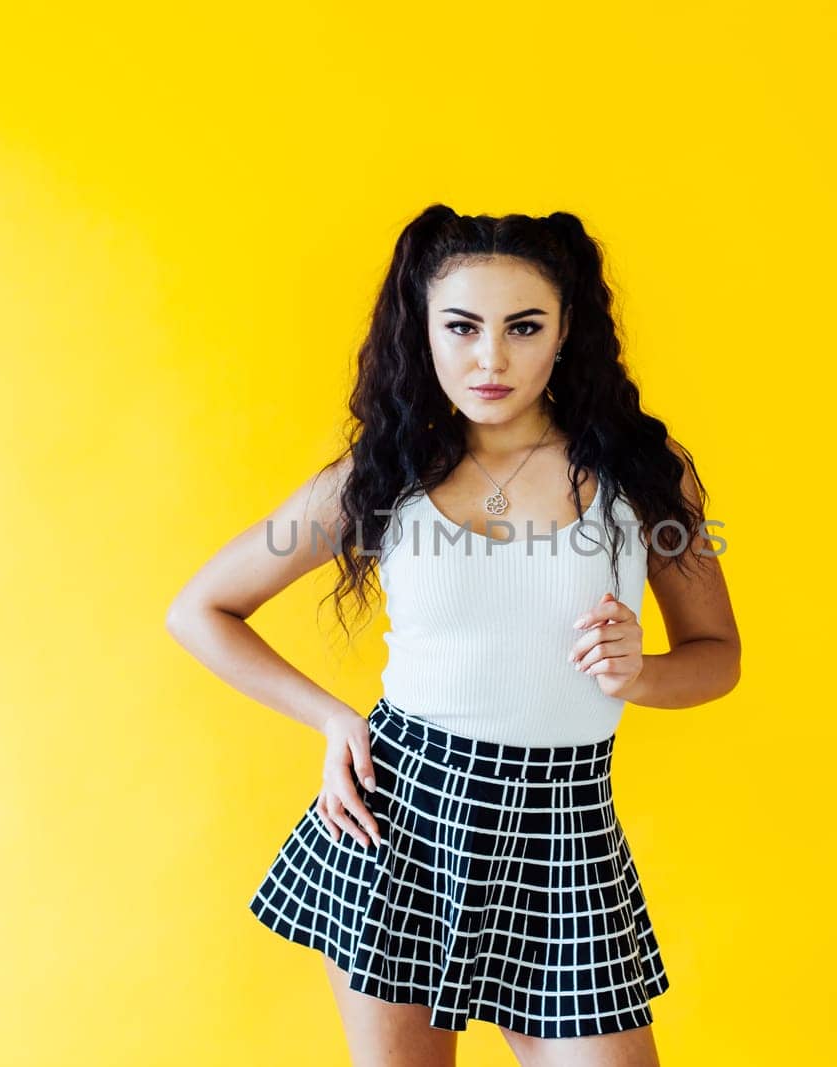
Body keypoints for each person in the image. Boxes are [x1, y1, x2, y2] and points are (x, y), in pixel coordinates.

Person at [165, 205, 741, 1066]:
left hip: (566, 826)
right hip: (403, 818)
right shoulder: (385, 473)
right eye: (463, 327)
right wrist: (333, 720)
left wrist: (641, 672)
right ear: (424, 330)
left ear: (566, 331)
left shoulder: (646, 477)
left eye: (524, 326)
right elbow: (200, 609)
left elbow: (718, 656)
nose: (491, 358)